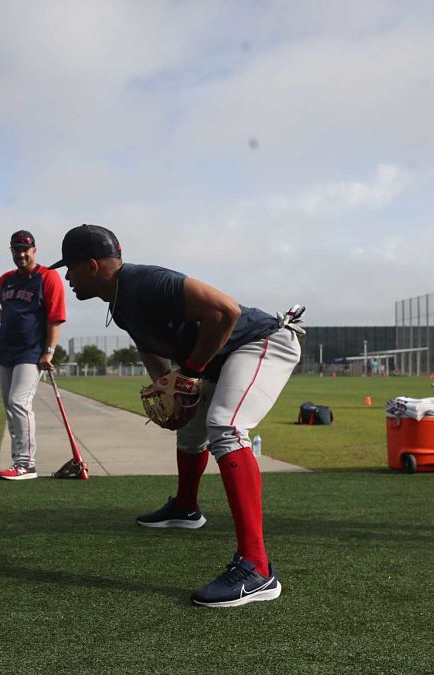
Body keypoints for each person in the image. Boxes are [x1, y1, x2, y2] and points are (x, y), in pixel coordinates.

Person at [52, 224, 303, 607]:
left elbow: (226, 311)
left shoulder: (146, 282)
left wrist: (189, 371)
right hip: (221, 359)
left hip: (261, 341)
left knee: (226, 426)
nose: (66, 277)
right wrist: (166, 385)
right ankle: (186, 508)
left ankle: (257, 568)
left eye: (69, 268)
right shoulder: (118, 304)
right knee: (189, 431)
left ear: (91, 265)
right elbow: (149, 347)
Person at [0, 230, 67, 480]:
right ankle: (18, 461)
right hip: (6, 350)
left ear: (34, 250)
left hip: (32, 352)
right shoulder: (7, 280)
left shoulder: (48, 277)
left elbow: (55, 318)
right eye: (16, 250)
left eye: (25, 249)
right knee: (10, 408)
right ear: (11, 251)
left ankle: (27, 464)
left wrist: (49, 351)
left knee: (20, 402)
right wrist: (4, 319)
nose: (21, 254)